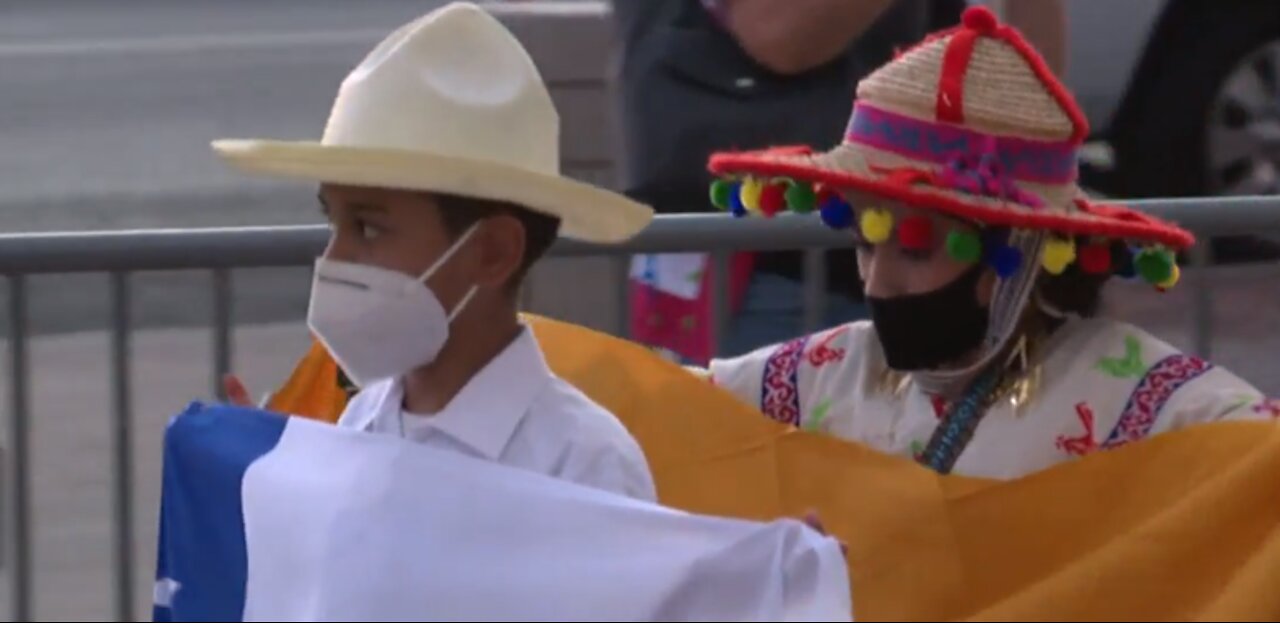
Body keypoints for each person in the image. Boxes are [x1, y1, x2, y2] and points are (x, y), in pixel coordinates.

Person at [697, 5, 1275, 480]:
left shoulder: (1145, 402)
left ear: (1021, 250)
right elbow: (663, 407)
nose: (878, 282)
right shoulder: (828, 374)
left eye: (917, 248)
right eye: (868, 243)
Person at [214, 2, 658, 501]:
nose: (335, 257)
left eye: (368, 227)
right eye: (333, 223)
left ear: (492, 252)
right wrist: (271, 496)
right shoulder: (361, 424)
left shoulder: (582, 464)